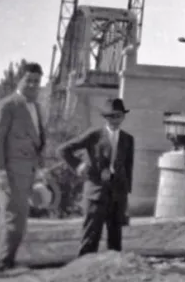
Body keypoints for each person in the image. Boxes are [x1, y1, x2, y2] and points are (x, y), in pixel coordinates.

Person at [0, 62, 46, 277]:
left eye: (36, 81)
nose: (32, 84)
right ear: (19, 80)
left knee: (7, 217)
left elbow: (39, 142)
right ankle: (3, 266)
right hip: (10, 174)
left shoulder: (36, 107)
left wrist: (40, 170)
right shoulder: (6, 106)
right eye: (28, 80)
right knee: (16, 221)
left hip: (28, 173)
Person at [58, 97, 135, 257]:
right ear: (105, 117)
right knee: (90, 238)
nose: (115, 120)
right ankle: (83, 271)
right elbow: (64, 150)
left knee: (115, 241)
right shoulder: (94, 135)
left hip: (117, 195)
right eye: (111, 116)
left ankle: (111, 274)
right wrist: (79, 165)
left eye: (118, 116)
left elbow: (128, 169)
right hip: (96, 193)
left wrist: (126, 198)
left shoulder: (128, 139)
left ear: (123, 116)